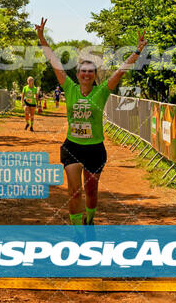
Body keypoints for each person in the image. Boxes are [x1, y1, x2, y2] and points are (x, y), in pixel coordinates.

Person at [35, 17, 147, 225]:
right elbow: (55, 63)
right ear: (77, 75)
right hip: (72, 147)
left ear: (94, 75)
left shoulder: (101, 91)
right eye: (83, 71)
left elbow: (121, 70)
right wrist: (42, 38)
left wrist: (137, 51)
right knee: (74, 192)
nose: (86, 74)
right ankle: (79, 233)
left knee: (91, 192)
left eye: (90, 71)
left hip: (95, 149)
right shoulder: (69, 88)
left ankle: (90, 220)